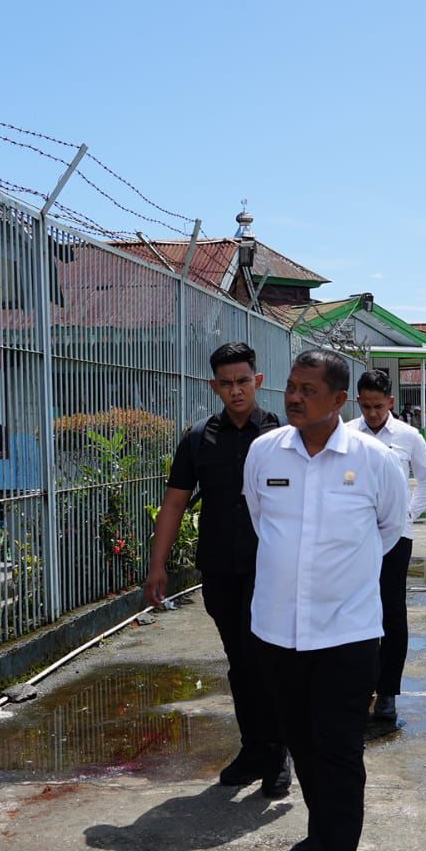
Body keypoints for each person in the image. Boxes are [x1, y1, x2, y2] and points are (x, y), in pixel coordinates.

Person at [244, 348, 408, 851]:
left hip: (347, 635)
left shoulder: (375, 459)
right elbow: (259, 519)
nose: (293, 397)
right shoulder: (265, 453)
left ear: (339, 400)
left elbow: (388, 531)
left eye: (308, 390)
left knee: (339, 753)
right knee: (304, 744)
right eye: (291, 386)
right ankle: (322, 831)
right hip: (277, 634)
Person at [144, 342, 291, 798]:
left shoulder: (282, 436)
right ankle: (253, 749)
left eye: (243, 381)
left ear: (258, 381)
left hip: (272, 571)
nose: (235, 391)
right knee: (240, 664)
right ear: (214, 386)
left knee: (271, 663)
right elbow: (174, 502)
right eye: (226, 383)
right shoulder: (197, 438)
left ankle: (279, 754)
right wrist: (158, 564)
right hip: (221, 569)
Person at [350, 369, 426, 724]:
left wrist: (407, 513)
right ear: (358, 401)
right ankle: (360, 686)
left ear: (390, 402)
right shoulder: (345, 434)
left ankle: (388, 691)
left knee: (391, 612)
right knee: (357, 612)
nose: (372, 413)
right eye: (367, 406)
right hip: (355, 539)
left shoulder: (408, 436)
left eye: (378, 406)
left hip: (395, 539)